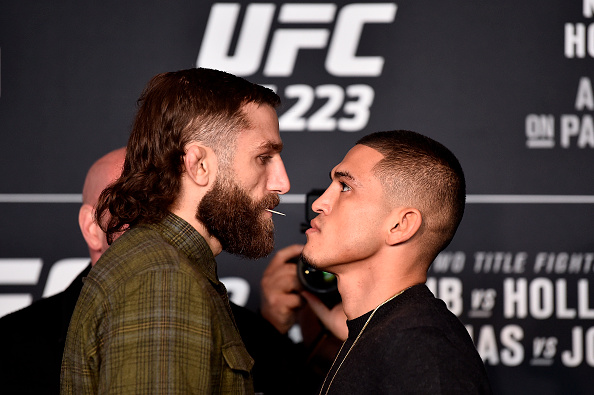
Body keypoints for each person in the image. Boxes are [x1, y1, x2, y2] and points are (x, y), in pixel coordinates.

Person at [61, 68, 291, 393]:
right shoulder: (162, 281)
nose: (283, 182)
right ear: (198, 164)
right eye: (263, 157)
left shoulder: (166, 267)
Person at [301, 130, 492, 394]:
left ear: (400, 225)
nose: (320, 203)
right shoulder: (385, 334)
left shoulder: (423, 348)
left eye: (345, 187)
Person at [0, 147, 125, 394]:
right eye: (129, 205)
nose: (152, 221)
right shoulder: (10, 345)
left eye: (165, 205)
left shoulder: (221, 324)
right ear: (92, 228)